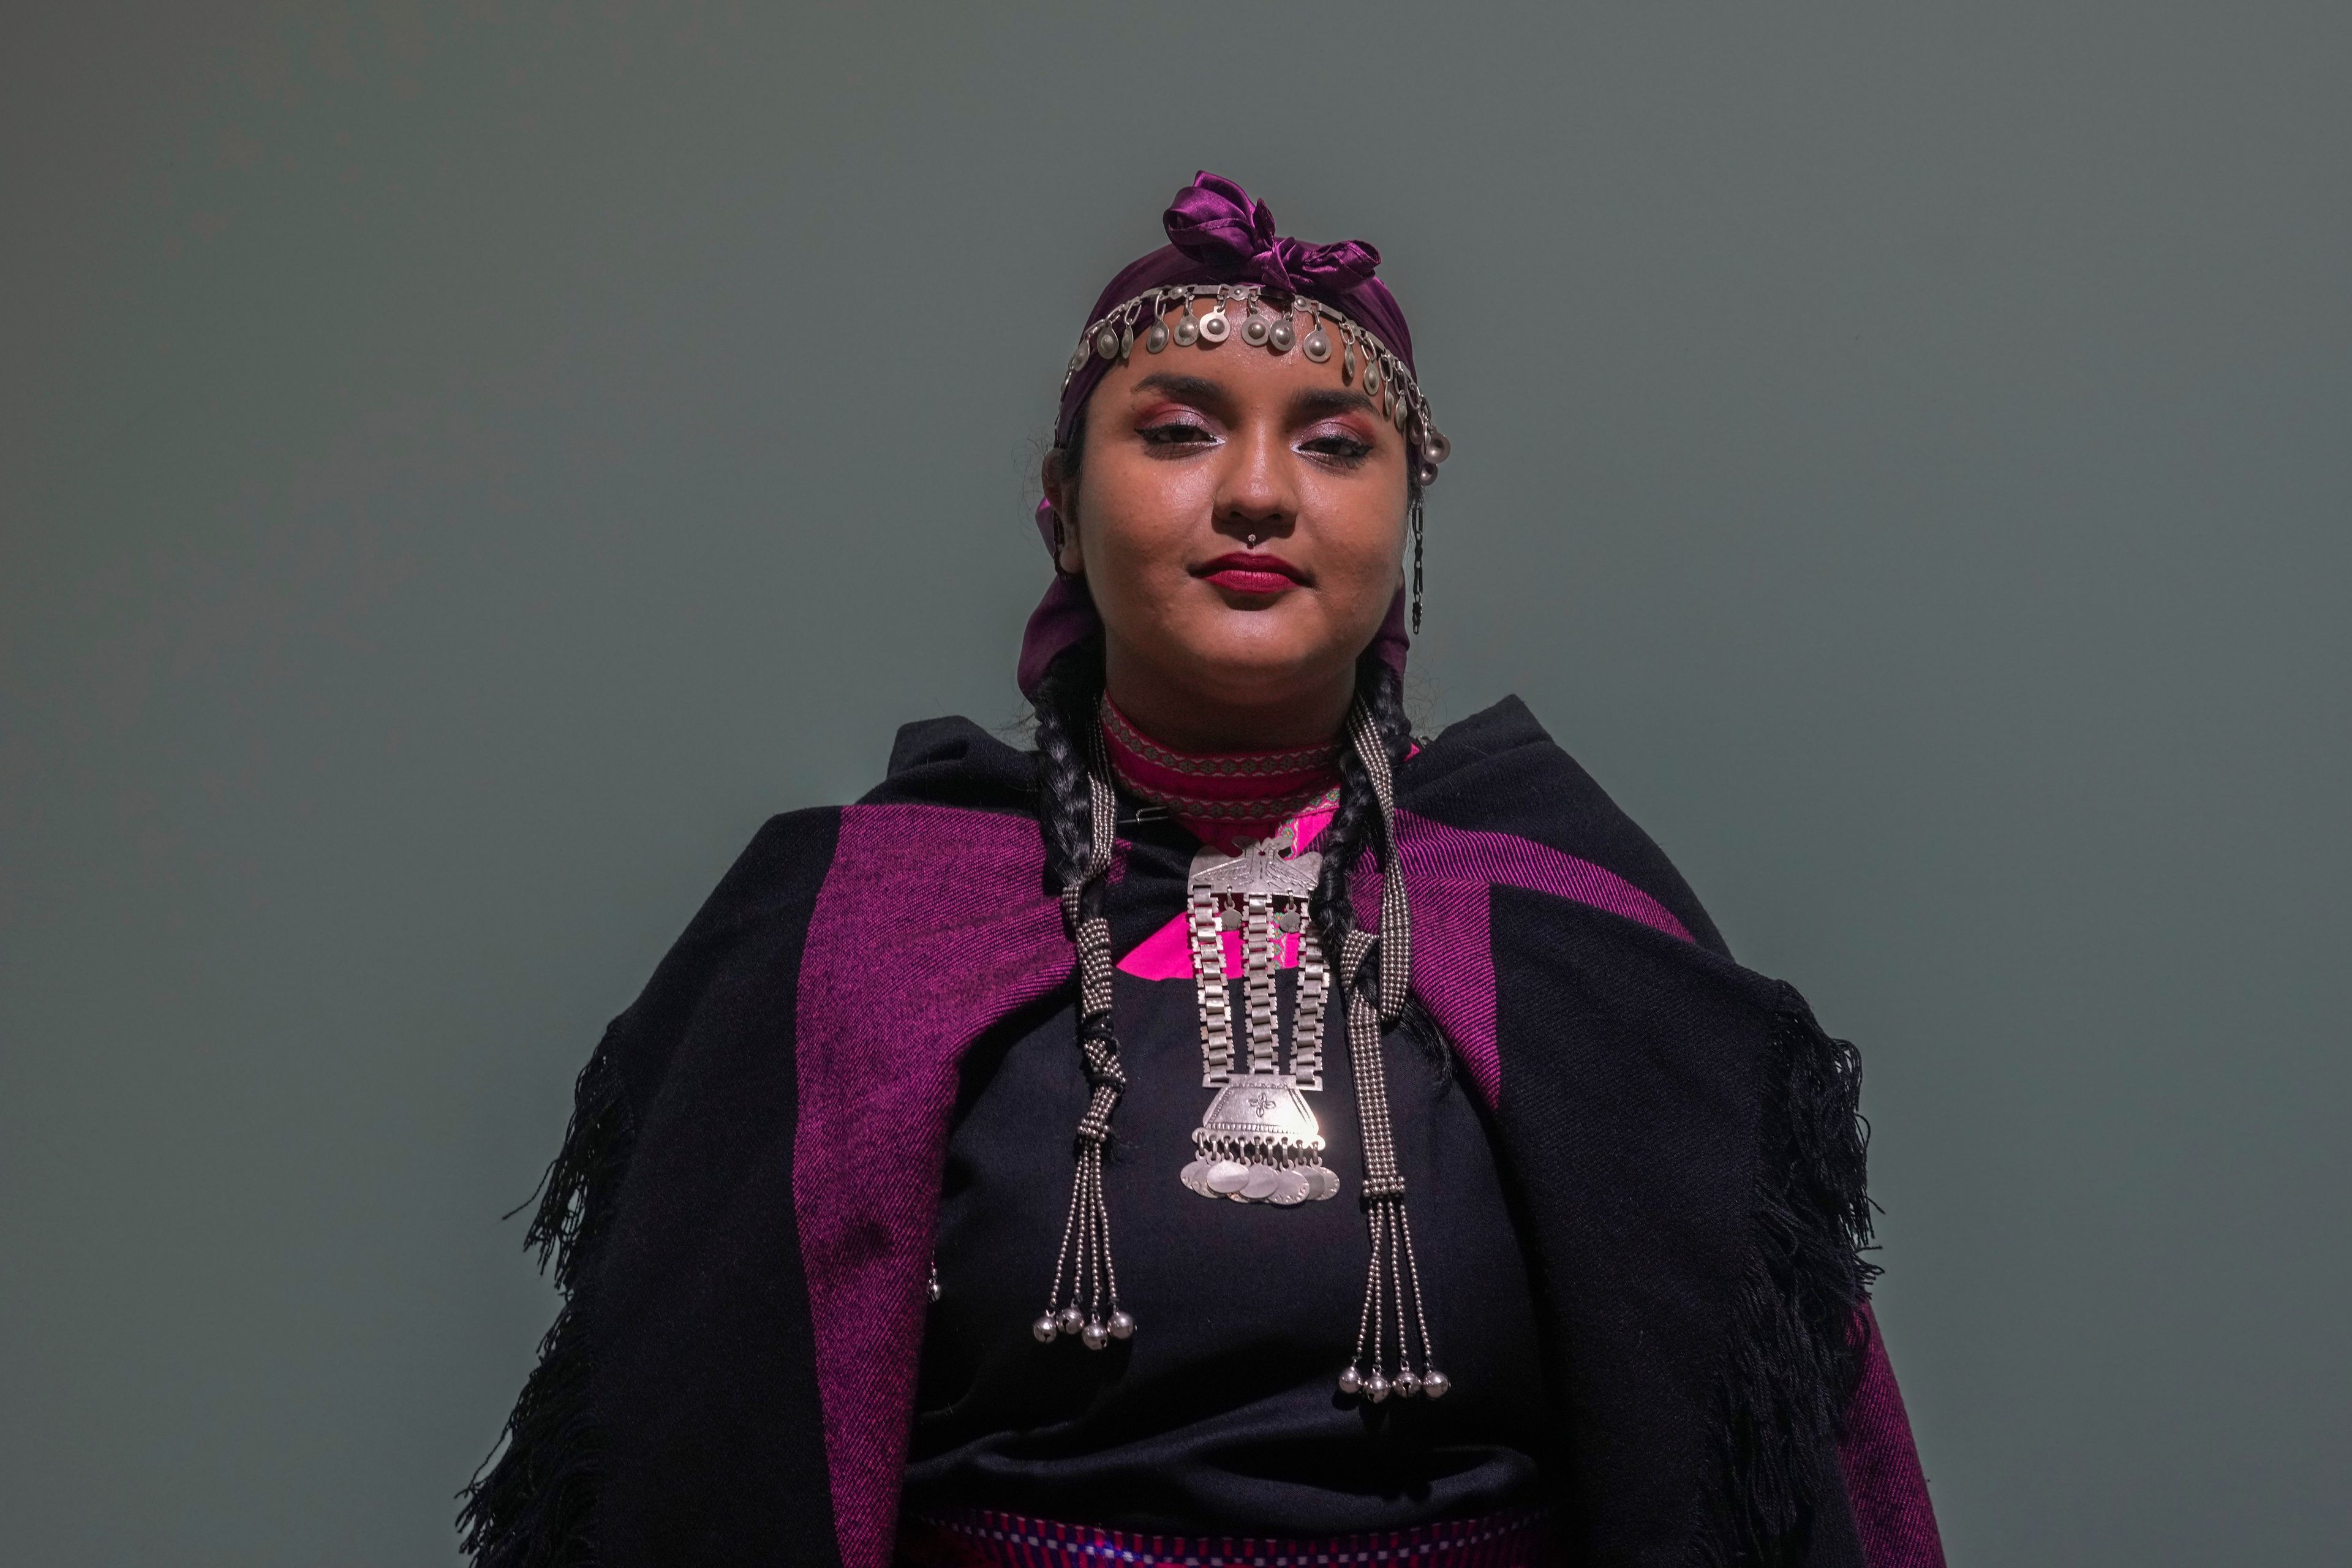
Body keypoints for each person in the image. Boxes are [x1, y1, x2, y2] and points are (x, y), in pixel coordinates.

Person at [461, 172, 1947, 1568]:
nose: (1255, 491)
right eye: (1176, 430)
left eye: (1334, 439)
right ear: (1059, 504)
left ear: (1403, 522)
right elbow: (692, 1459)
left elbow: (1766, 1483)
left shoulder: (1575, 934)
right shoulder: (851, 929)